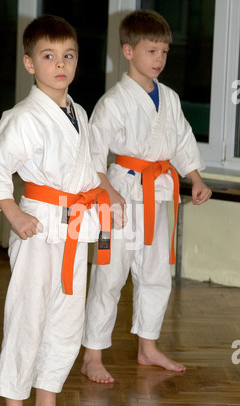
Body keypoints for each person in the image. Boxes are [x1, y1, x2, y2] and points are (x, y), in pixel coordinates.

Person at [0, 15, 110, 406]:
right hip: (38, 227)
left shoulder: (79, 111)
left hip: (75, 226)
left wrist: (103, 194)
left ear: (77, 61)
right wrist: (14, 214)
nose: (61, 64)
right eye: (49, 56)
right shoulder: (23, 116)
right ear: (30, 63)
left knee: (66, 321)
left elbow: (89, 166)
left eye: (68, 56)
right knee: (28, 318)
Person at [81, 10, 212, 384]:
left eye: (164, 53)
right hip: (121, 192)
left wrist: (196, 178)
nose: (159, 59)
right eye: (151, 51)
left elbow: (183, 140)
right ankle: (93, 353)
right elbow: (94, 152)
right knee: (109, 274)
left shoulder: (169, 98)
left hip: (159, 191)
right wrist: (108, 193)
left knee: (156, 273)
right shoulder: (114, 101)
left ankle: (148, 346)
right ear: (128, 51)